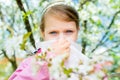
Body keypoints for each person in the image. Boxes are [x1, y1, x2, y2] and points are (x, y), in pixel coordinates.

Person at [9, 2, 80, 80]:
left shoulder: (86, 65)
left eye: (69, 31)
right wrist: (48, 60)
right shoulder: (30, 63)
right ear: (43, 34)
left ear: (77, 31)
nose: (61, 39)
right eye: (53, 33)